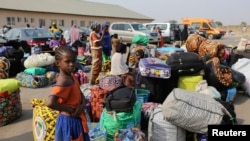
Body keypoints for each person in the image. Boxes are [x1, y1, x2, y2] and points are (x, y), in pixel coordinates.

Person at [46, 47, 90, 141]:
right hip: (69, 121)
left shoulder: (71, 76)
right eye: (67, 61)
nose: (71, 64)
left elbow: (79, 92)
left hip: (76, 117)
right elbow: (50, 102)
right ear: (58, 63)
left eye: (73, 61)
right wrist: (70, 109)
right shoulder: (63, 81)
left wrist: (82, 105)